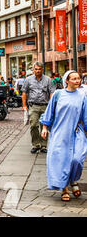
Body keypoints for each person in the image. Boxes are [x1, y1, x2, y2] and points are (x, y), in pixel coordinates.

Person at [40, 71, 87, 201]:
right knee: (62, 160)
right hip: (60, 132)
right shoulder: (58, 95)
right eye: (74, 79)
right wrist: (44, 127)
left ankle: (74, 180)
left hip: (76, 132)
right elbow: (49, 112)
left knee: (77, 159)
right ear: (67, 81)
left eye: (79, 79)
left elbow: (86, 116)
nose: (78, 81)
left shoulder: (82, 96)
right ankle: (64, 188)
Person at [22, 62, 56, 154]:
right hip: (33, 106)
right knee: (33, 125)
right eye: (36, 69)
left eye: (39, 69)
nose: (37, 71)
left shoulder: (48, 80)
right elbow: (24, 93)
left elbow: (52, 93)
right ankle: (36, 145)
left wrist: (51, 105)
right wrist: (24, 105)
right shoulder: (28, 80)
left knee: (44, 126)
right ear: (33, 70)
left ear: (42, 69)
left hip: (45, 106)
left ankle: (44, 145)